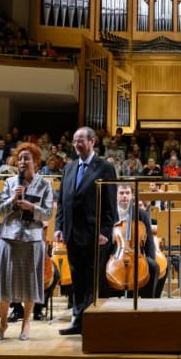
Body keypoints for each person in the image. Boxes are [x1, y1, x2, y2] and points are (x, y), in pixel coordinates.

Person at [54, 126, 117, 336]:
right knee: (77, 279)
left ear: (92, 142)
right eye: (74, 140)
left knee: (92, 281)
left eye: (80, 140)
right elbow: (62, 202)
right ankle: (79, 320)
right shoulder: (69, 168)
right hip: (72, 234)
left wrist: (105, 232)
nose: (76, 144)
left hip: (94, 235)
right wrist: (58, 227)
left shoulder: (105, 168)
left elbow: (110, 204)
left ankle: (90, 321)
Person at [0, 143, 53, 341]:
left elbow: (48, 213)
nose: (22, 162)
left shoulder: (45, 185)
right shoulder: (10, 183)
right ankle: (2, 324)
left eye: (26, 158)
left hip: (33, 240)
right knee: (5, 284)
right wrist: (12, 199)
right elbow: (0, 212)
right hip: (9, 238)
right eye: (19, 159)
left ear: (36, 161)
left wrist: (31, 207)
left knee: (30, 284)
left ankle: (26, 324)